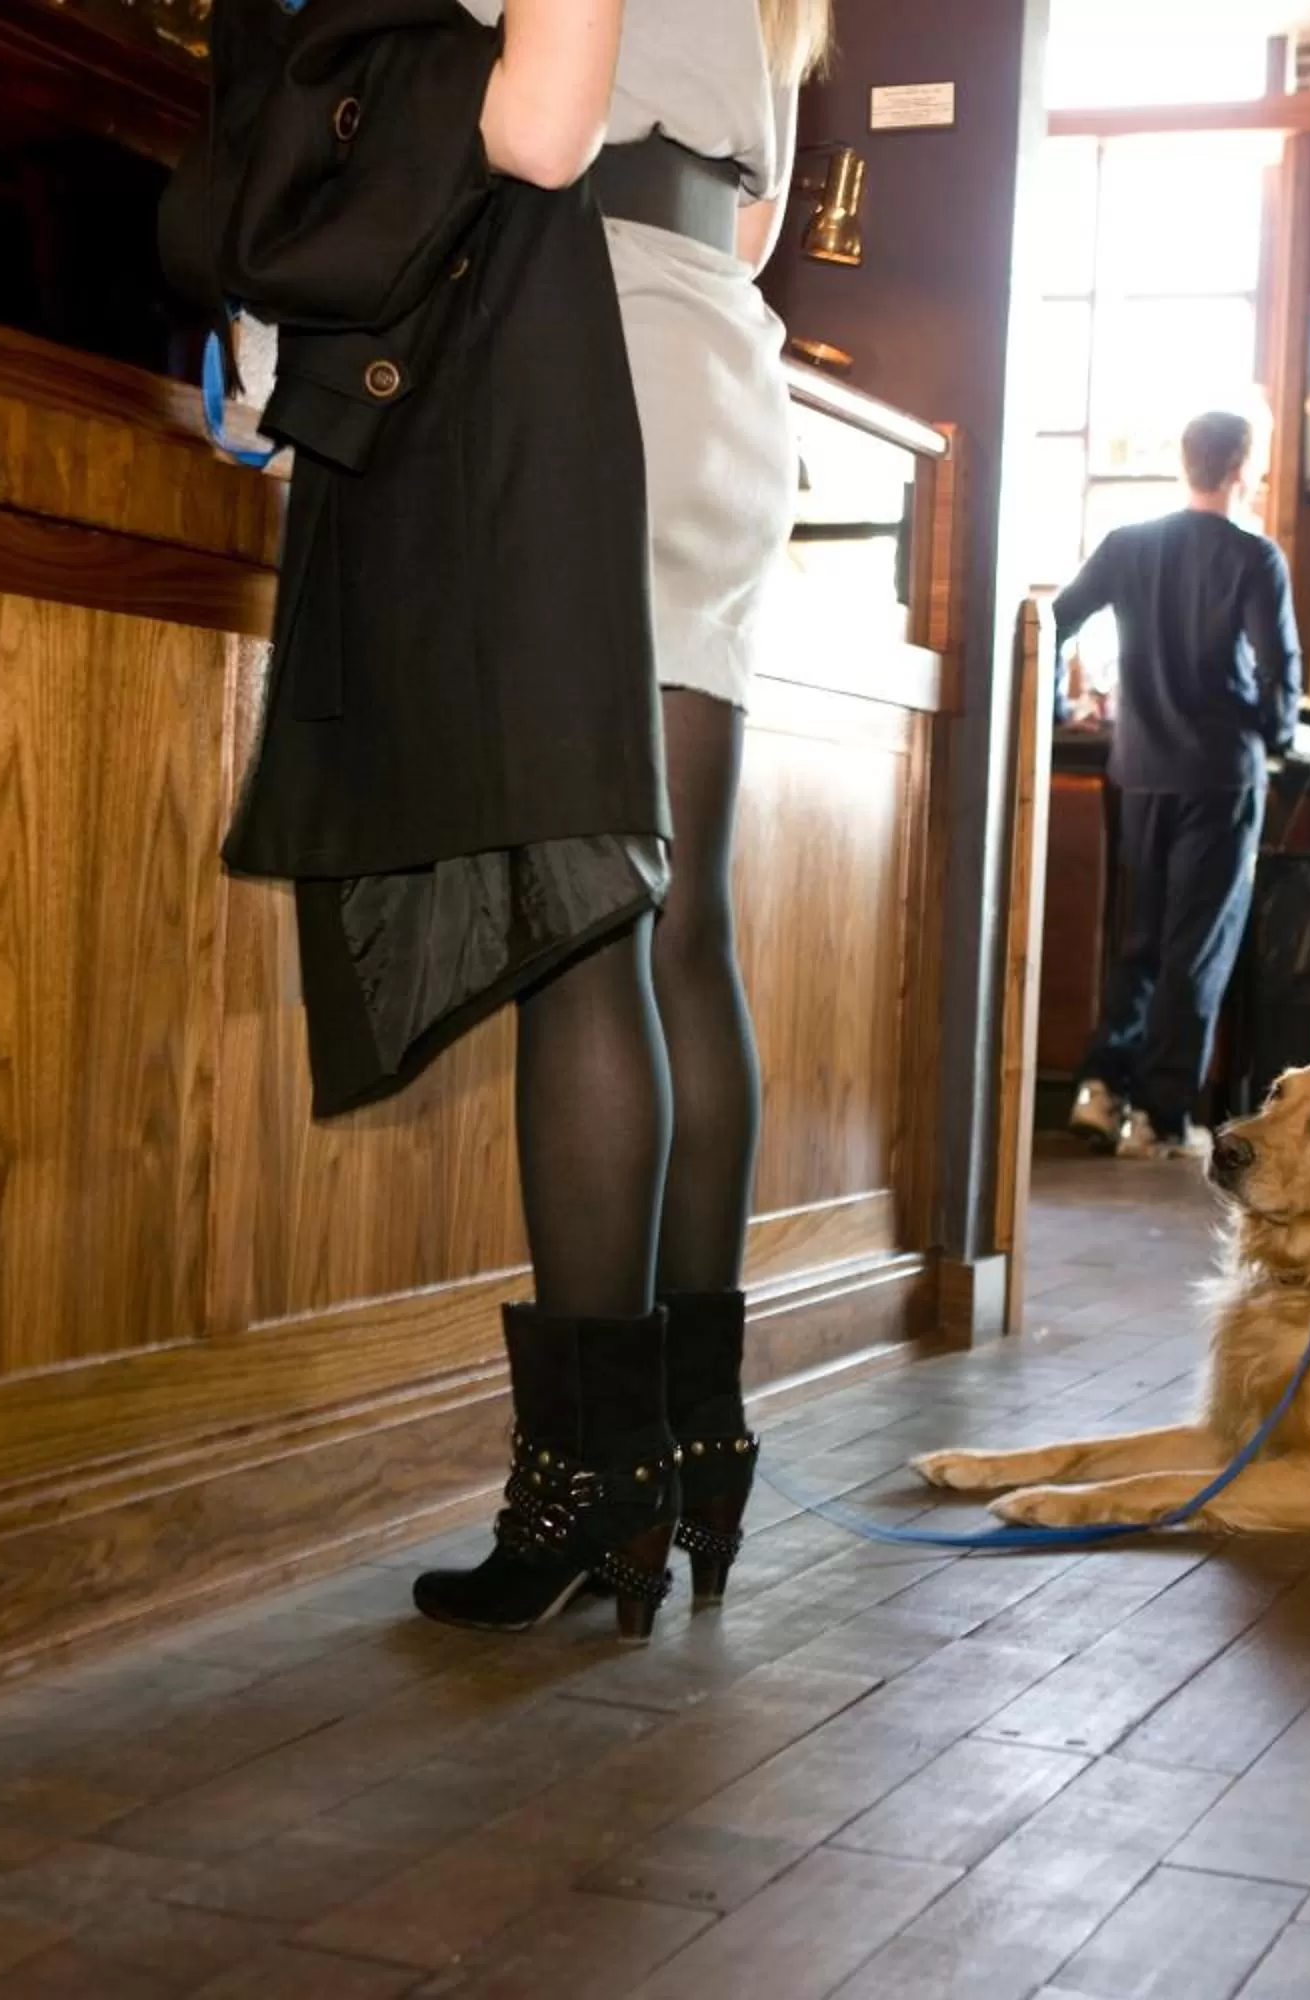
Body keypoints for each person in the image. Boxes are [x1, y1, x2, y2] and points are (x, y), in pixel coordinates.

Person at [359, 0, 821, 1637]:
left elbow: (539, 133)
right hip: (720, 363)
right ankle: (698, 1444)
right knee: (683, 930)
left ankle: (584, 1487)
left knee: (587, 941)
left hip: (587, 336)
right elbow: (755, 222)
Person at [1055, 412, 1304, 1161]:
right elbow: (1278, 668)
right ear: (1240, 471)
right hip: (1221, 775)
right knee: (1196, 946)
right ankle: (1162, 1116)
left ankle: (1100, 1090)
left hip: (1140, 770)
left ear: (1185, 462)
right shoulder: (1254, 558)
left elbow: (1053, 619)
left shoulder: (1128, 547)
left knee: (1139, 940)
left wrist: (1053, 709)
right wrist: (1279, 733)